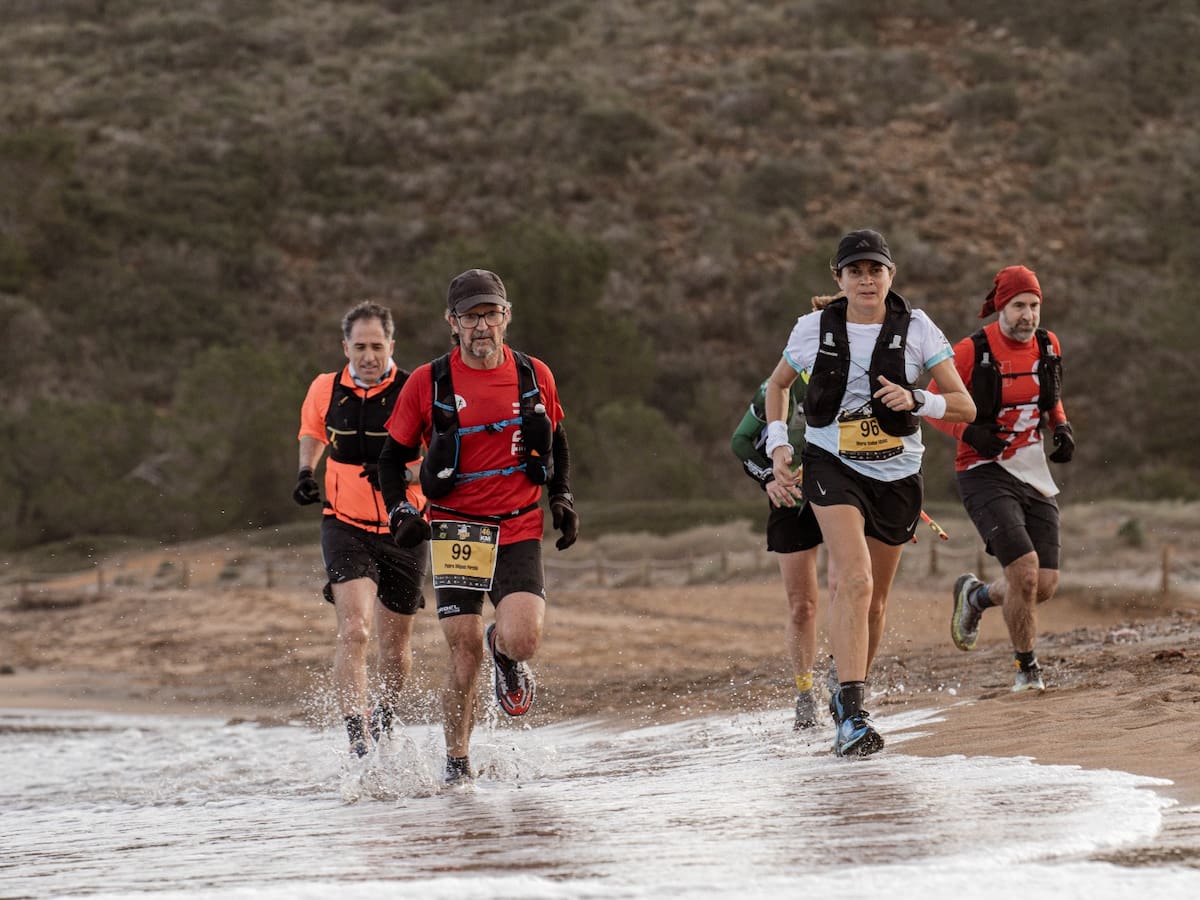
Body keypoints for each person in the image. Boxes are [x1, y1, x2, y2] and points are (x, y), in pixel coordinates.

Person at [764, 229, 975, 757]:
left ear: (890, 276)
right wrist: (778, 445)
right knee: (852, 578)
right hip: (831, 464)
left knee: (876, 602)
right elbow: (777, 386)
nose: (865, 279)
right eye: (854, 270)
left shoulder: (920, 328)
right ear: (837, 278)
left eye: (874, 269)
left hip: (898, 472)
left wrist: (916, 397)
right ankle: (853, 715)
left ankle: (847, 683)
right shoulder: (812, 328)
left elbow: (964, 405)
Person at [377, 268, 578, 785]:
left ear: (506, 317)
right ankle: (457, 764)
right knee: (461, 649)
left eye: (490, 314)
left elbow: (556, 440)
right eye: (470, 317)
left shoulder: (535, 374)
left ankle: (505, 655)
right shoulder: (428, 382)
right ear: (453, 323)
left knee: (523, 638)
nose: (481, 326)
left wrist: (562, 497)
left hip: (516, 525)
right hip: (455, 530)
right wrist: (401, 511)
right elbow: (390, 460)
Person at [927, 265, 1074, 692]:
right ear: (1001, 307)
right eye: (1018, 306)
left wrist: (1060, 426)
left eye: (1034, 306)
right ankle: (1026, 670)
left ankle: (975, 596)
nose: (1027, 315)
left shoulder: (1048, 343)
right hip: (981, 469)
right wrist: (968, 431)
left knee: (1042, 585)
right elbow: (931, 404)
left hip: (1030, 467)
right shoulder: (972, 350)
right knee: (1024, 573)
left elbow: (1052, 394)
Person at [294, 301, 429, 759]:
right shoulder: (325, 387)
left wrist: (405, 477)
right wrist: (305, 473)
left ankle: (385, 719)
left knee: (395, 645)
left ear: (392, 345)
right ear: (344, 347)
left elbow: (441, 456)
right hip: (344, 524)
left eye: (377, 346)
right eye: (359, 347)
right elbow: (311, 430)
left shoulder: (416, 389)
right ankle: (358, 740)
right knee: (354, 630)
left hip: (405, 527)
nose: (368, 356)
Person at [731, 365, 828, 730]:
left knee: (852, 585)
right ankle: (805, 692)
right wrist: (770, 477)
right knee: (802, 606)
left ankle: (845, 675)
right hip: (791, 500)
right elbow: (740, 442)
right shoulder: (778, 387)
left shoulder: (857, 375)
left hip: (840, 495)